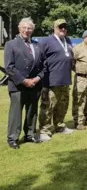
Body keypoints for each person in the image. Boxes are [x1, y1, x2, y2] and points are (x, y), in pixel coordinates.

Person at [4, 18, 44, 149]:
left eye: (30, 28)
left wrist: (37, 78)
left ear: (33, 30)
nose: (27, 30)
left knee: (32, 111)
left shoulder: (37, 45)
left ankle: (30, 134)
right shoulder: (11, 44)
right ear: (19, 28)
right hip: (18, 85)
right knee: (16, 113)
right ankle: (13, 138)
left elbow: (44, 66)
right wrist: (24, 80)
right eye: (24, 28)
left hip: (35, 84)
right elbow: (9, 67)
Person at [39, 19, 75, 142]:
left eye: (64, 27)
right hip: (51, 81)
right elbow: (40, 59)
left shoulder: (68, 41)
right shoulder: (47, 41)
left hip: (65, 80)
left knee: (62, 105)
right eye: (60, 27)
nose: (63, 29)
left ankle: (59, 126)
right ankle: (44, 130)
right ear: (54, 28)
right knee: (48, 106)